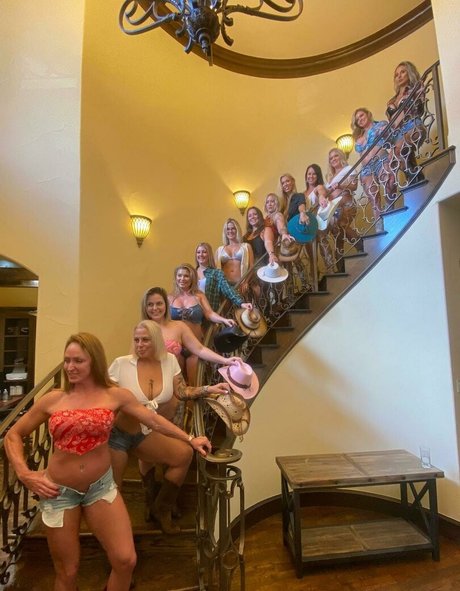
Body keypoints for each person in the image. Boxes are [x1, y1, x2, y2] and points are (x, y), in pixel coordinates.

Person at [4, 332, 212, 591]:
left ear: (94, 361)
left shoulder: (115, 395)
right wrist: (24, 473)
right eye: (67, 360)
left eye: (78, 361)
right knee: (68, 572)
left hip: (100, 489)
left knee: (126, 560)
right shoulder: (54, 399)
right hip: (59, 493)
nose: (70, 367)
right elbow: (13, 434)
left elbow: (153, 420)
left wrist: (190, 438)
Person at [108, 320, 229, 534]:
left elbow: (182, 392)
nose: (140, 345)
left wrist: (209, 389)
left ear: (156, 340)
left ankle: (161, 508)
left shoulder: (170, 361)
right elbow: (104, 398)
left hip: (145, 432)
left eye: (145, 340)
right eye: (136, 340)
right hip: (118, 435)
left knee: (184, 454)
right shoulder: (121, 364)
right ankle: (117, 531)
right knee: (113, 490)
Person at [141, 287, 241, 387]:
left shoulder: (179, 326)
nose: (155, 308)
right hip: (151, 384)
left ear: (166, 305)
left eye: (159, 303)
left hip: (176, 386)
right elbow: (137, 361)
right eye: (150, 304)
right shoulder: (142, 330)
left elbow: (200, 349)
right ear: (145, 307)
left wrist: (225, 360)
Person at [168, 264, 237, 382]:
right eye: (179, 275)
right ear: (176, 277)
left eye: (186, 276)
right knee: (178, 385)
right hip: (176, 348)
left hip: (195, 347)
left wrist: (224, 320)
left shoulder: (199, 296)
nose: (182, 279)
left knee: (194, 383)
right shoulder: (169, 298)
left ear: (192, 278)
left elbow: (209, 313)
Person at [351, 107, 397, 231]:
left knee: (389, 182)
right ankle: (379, 226)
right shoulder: (359, 137)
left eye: (361, 115)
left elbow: (391, 138)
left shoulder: (380, 125)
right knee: (373, 198)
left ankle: (390, 211)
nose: (360, 119)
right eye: (357, 119)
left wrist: (392, 153)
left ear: (368, 114)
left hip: (381, 159)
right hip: (366, 168)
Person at [386, 61, 426, 180]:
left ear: (409, 73)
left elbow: (420, 107)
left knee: (399, 150)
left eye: (403, 72)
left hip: (412, 125)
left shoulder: (415, 87)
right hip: (398, 133)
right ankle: (415, 178)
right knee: (392, 158)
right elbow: (391, 122)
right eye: (396, 74)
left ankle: (414, 176)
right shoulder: (391, 100)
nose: (399, 76)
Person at [325, 148, 363, 272]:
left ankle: (362, 247)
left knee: (342, 225)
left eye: (336, 156)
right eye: (331, 158)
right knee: (338, 237)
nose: (333, 159)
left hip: (346, 204)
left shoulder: (349, 169)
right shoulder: (330, 178)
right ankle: (340, 270)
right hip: (334, 209)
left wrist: (340, 185)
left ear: (341, 156)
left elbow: (354, 186)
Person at [195, 242, 252, 313]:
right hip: (194, 312)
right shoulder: (192, 273)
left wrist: (241, 303)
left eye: (204, 252)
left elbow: (228, 290)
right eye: (198, 252)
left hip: (209, 312)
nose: (201, 254)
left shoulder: (216, 273)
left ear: (209, 255)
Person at [215, 218, 253, 286]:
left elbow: (251, 267)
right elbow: (215, 269)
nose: (230, 231)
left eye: (233, 228)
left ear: (237, 230)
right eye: (228, 229)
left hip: (240, 283)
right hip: (225, 285)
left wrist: (246, 282)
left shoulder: (246, 247)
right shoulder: (219, 250)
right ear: (225, 231)